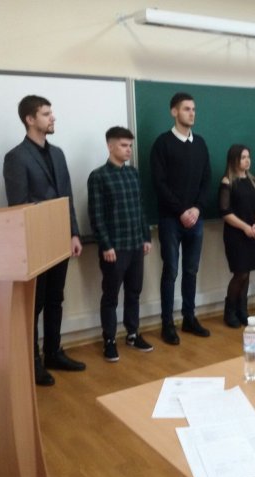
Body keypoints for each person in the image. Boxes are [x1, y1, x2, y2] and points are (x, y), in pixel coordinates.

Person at [3, 95, 86, 386]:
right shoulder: (16, 157)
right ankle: (33, 361)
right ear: (30, 119)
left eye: (51, 113)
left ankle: (53, 353)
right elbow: (20, 205)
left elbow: (67, 196)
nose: (53, 118)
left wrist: (74, 233)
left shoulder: (58, 154)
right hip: (34, 244)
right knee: (35, 305)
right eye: (46, 114)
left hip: (60, 239)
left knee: (55, 299)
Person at [87, 127, 153, 361]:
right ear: (110, 146)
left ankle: (132, 334)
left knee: (134, 292)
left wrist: (146, 237)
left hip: (135, 244)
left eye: (130, 146)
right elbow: (96, 215)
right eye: (124, 145)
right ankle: (110, 340)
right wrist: (106, 245)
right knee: (111, 296)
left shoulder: (133, 173)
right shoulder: (98, 176)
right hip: (114, 248)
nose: (128, 150)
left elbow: (140, 207)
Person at [150, 92, 211, 345]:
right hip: (170, 220)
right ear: (174, 112)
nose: (192, 113)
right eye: (186, 109)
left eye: (194, 109)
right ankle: (168, 323)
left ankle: (189, 318)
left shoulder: (200, 143)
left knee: (191, 270)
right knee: (171, 271)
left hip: (196, 219)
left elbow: (206, 180)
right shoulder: (162, 144)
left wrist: (196, 209)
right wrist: (181, 211)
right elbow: (159, 183)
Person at [219, 145, 255, 328]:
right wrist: (245, 227)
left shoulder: (254, 180)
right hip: (236, 234)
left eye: (248, 157)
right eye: (243, 157)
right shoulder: (228, 181)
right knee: (240, 273)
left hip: (252, 232)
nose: (247, 160)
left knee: (248, 273)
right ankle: (229, 311)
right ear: (234, 160)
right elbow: (225, 211)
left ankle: (242, 310)